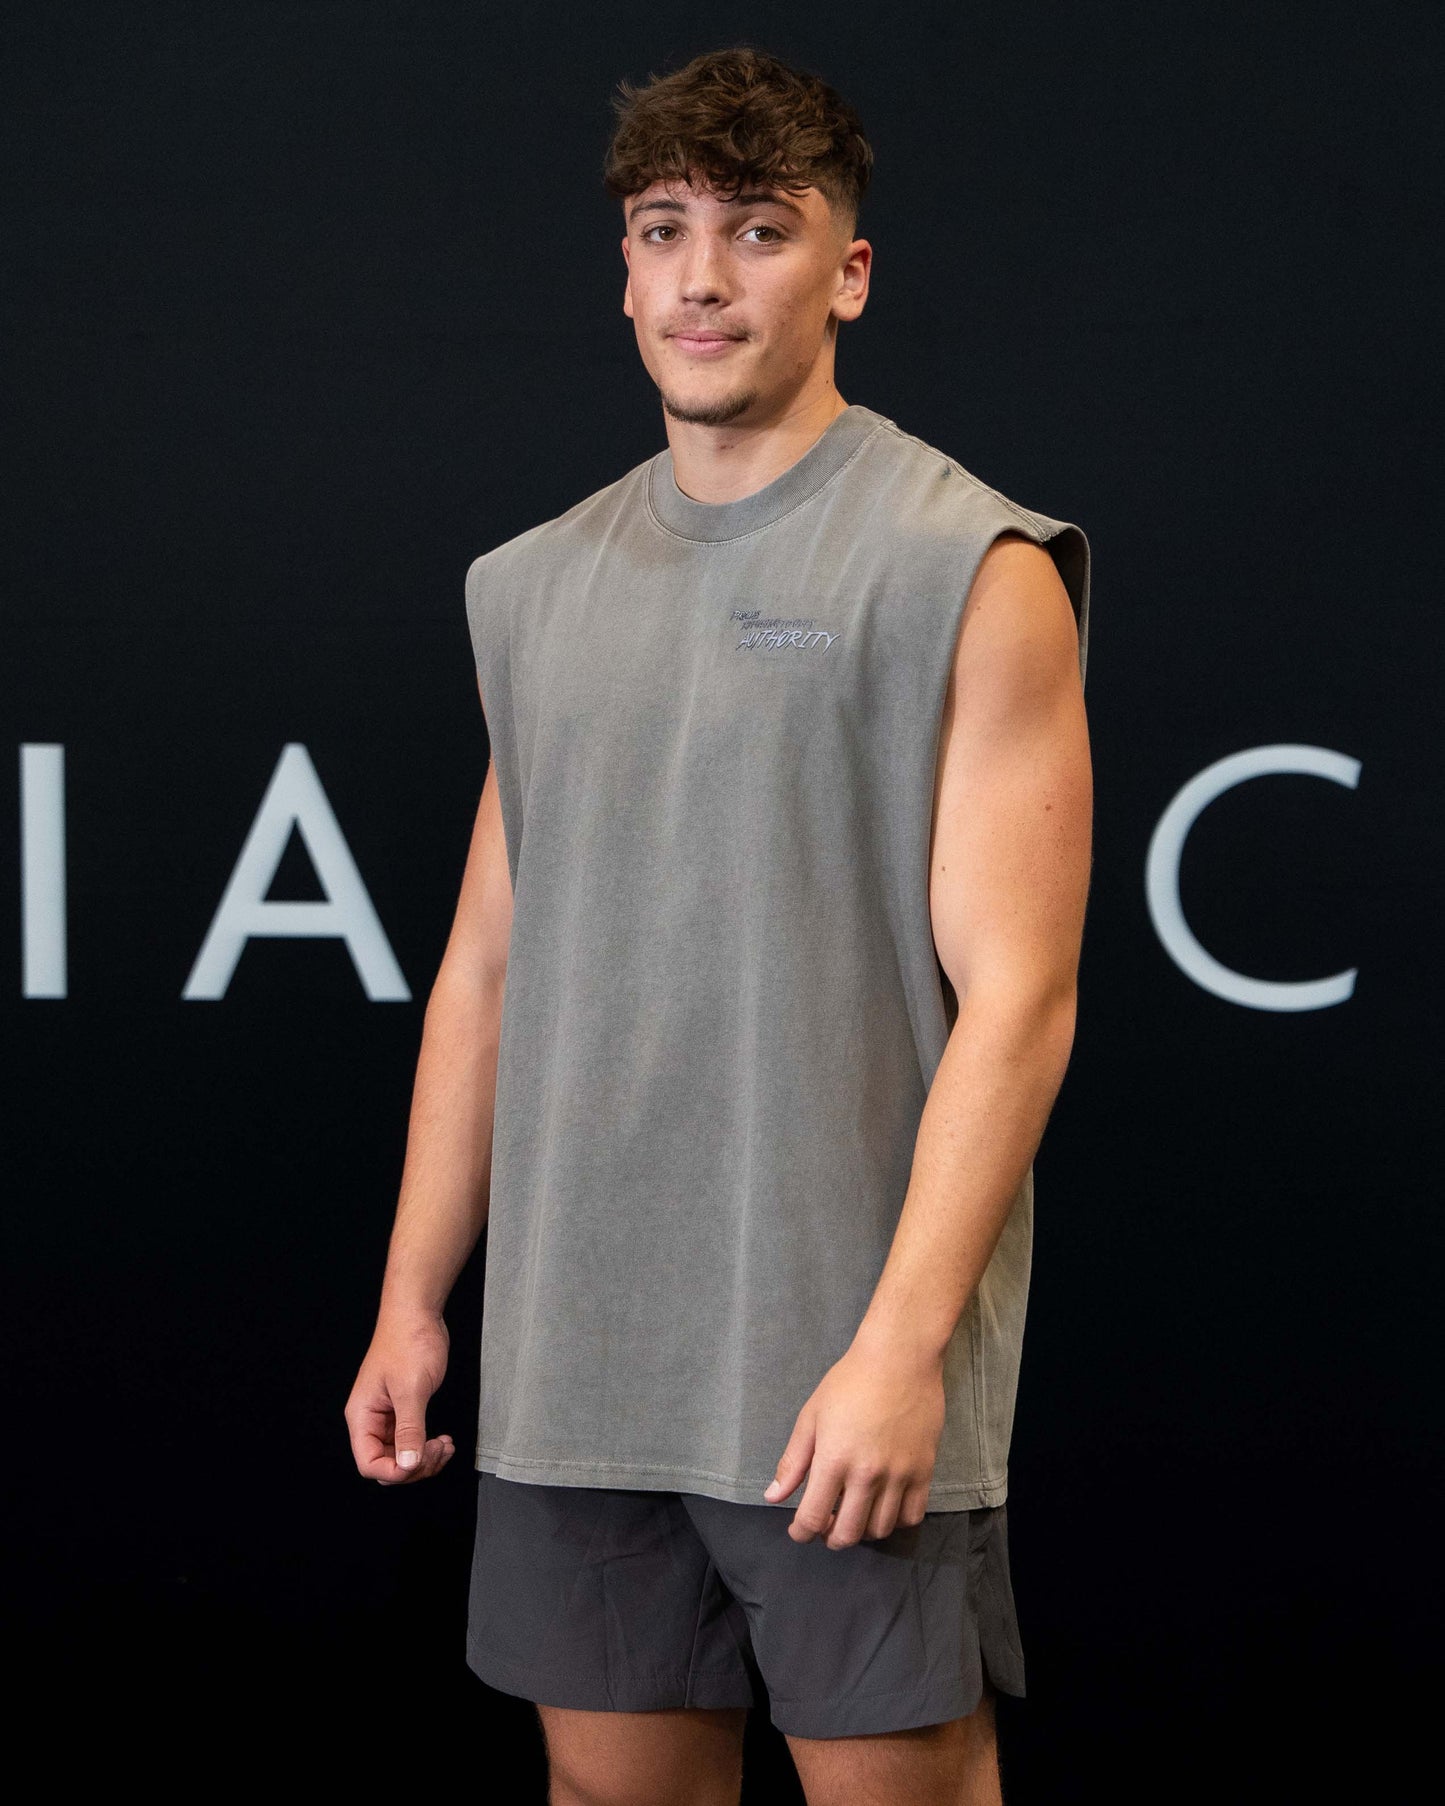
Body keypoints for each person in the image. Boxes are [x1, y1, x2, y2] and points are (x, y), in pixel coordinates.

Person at [345, 43, 1092, 1806]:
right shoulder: (529, 586)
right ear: (621, 266)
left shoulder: (963, 562)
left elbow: (1020, 998)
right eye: (662, 228)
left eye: (758, 230)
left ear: (843, 272)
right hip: (574, 1365)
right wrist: (410, 1299)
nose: (700, 275)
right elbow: (487, 968)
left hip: (838, 1364)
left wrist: (901, 1350)